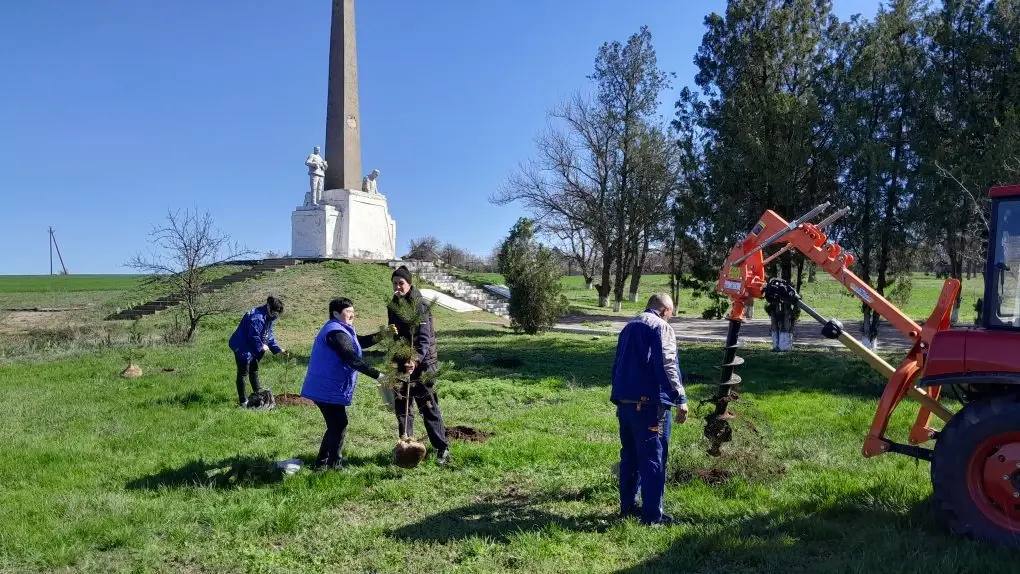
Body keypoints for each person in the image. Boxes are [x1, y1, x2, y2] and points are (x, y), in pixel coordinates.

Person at [610, 293, 689, 526]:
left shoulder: (628, 326)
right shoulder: (660, 327)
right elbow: (667, 363)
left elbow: (617, 364)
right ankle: (653, 516)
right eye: (671, 314)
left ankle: (628, 508)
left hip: (625, 402)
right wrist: (680, 397)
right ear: (665, 309)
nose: (670, 319)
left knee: (630, 456)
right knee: (654, 458)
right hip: (650, 405)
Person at [301, 297, 389, 470]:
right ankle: (334, 465)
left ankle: (322, 463)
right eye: (348, 311)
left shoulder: (342, 329)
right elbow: (351, 358)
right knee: (338, 424)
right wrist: (378, 375)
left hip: (327, 386)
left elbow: (359, 342)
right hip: (326, 388)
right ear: (335, 313)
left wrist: (383, 334)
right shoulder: (335, 332)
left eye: (353, 311)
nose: (352, 314)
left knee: (336, 424)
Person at [388, 266, 451, 465]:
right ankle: (407, 447)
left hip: (423, 364)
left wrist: (413, 360)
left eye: (401, 283)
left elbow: (424, 339)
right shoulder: (393, 305)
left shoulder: (420, 306)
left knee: (427, 404)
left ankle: (442, 448)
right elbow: (396, 335)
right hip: (401, 362)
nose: (397, 287)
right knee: (402, 404)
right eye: (395, 283)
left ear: (409, 284)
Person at [228, 296, 286, 407]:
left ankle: (257, 393)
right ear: (269, 307)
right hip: (242, 346)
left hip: (252, 347)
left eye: (277, 313)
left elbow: (268, 336)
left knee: (254, 369)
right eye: (275, 312)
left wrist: (278, 350)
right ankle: (243, 401)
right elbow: (253, 336)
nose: (276, 315)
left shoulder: (269, 317)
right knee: (243, 372)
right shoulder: (257, 317)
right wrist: (261, 346)